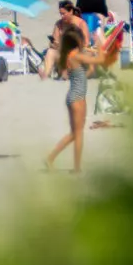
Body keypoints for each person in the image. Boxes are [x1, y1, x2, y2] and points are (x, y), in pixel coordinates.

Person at [44, 26, 106, 172]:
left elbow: (89, 71)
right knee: (78, 134)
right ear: (76, 41)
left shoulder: (70, 56)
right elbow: (101, 59)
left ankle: (51, 159)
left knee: (75, 133)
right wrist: (98, 42)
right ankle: (75, 167)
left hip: (74, 96)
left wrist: (89, 58)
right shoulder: (75, 56)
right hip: (77, 98)